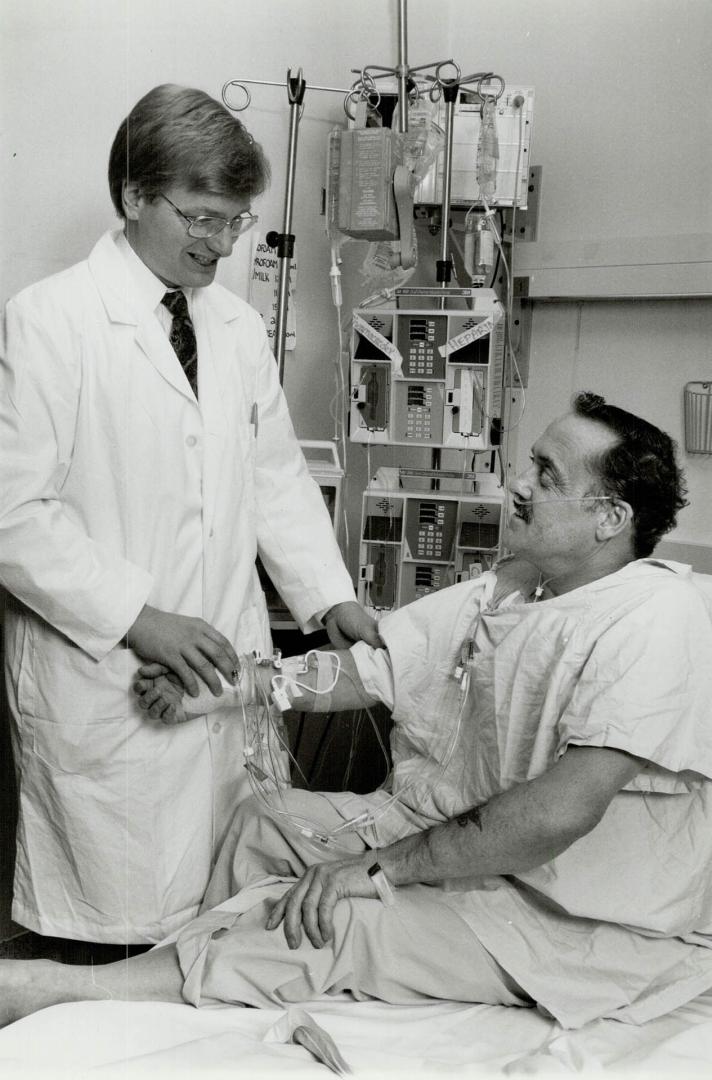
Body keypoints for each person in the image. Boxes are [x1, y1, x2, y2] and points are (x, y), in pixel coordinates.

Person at [2, 392, 712, 1032]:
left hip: (573, 916)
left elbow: (557, 815)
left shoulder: (655, 617)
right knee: (261, 824)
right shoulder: (515, 589)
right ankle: (203, 998)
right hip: (457, 844)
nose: (519, 484)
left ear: (611, 518)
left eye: (548, 475)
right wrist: (228, 687)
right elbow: (372, 667)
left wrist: (377, 870)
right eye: (530, 463)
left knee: (337, 918)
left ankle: (80, 993)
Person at [0, 84, 378, 947]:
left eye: (236, 222)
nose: (220, 243)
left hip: (222, 667)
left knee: (225, 910)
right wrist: (141, 617)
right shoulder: (51, 321)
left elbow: (274, 479)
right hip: (104, 671)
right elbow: (11, 511)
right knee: (107, 937)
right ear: (135, 197)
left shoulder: (238, 329)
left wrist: (329, 600)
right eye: (201, 217)